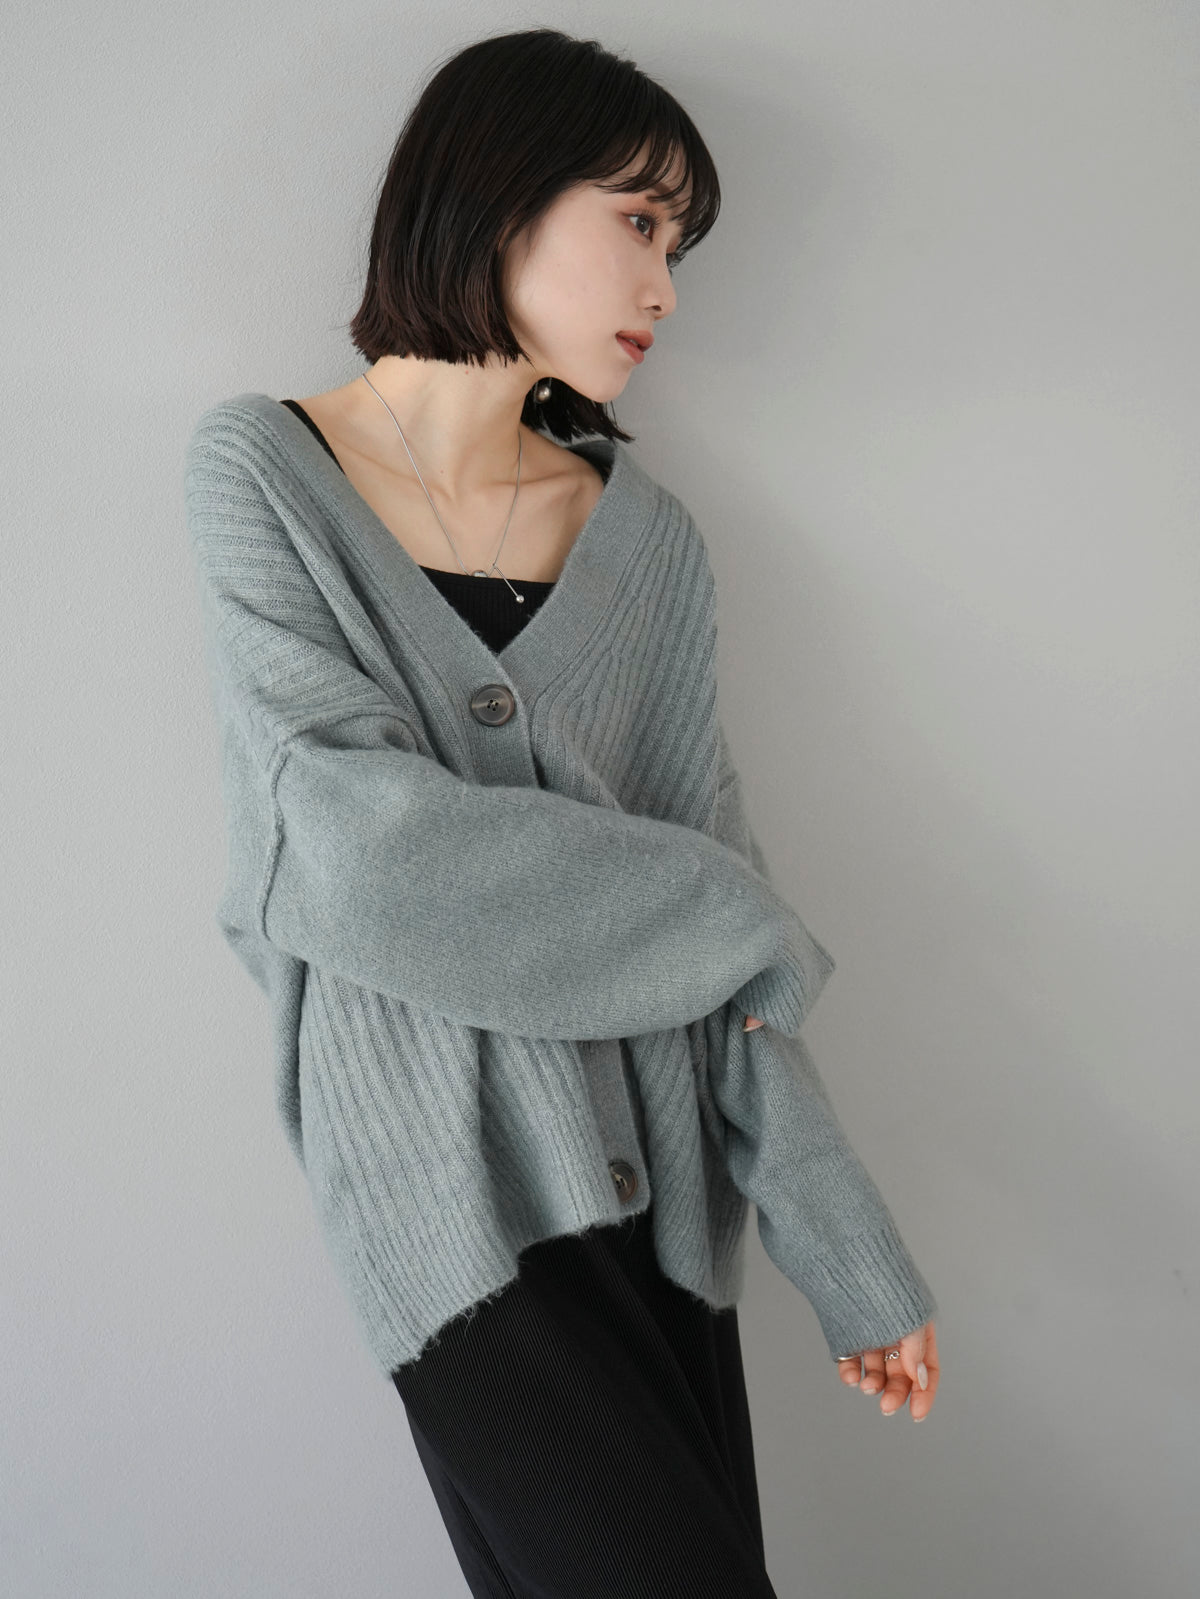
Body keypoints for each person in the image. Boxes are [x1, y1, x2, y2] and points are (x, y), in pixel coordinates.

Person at [184, 25, 939, 1598]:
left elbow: (730, 955)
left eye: (681, 245)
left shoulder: (649, 546)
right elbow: (349, 851)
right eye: (640, 223)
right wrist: (720, 910)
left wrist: (839, 1235)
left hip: (662, 1197)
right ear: (500, 193)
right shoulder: (264, 470)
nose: (665, 285)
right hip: (448, 1203)